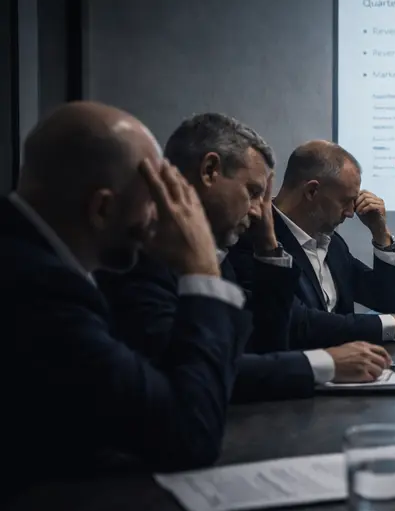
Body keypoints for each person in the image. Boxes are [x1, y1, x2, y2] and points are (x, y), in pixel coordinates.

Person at [1, 101, 248, 485]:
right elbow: (190, 434)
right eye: (153, 198)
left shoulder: (28, 258)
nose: (158, 216)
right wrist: (202, 271)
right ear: (102, 208)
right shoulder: (38, 292)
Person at [99, 113, 391, 402]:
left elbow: (264, 348)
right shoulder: (139, 259)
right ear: (210, 170)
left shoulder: (221, 251)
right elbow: (202, 377)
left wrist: (268, 249)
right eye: (253, 193)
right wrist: (324, 363)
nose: (257, 211)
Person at [228, 140, 395, 346]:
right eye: (345, 201)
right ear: (312, 192)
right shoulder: (256, 240)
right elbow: (298, 322)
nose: (352, 213)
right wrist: (387, 325)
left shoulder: (331, 241)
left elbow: (385, 300)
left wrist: (380, 234)